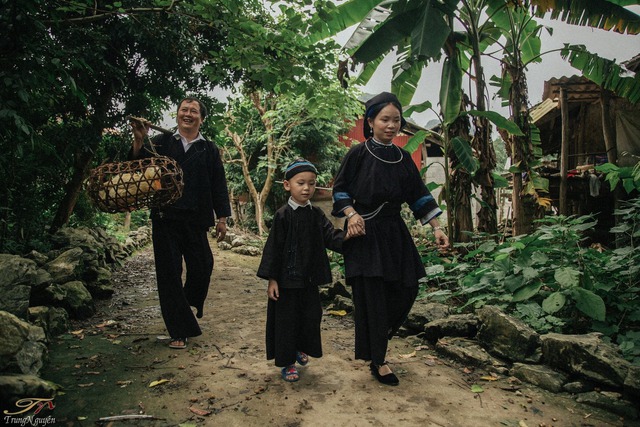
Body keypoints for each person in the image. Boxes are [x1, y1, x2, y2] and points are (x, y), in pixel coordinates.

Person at [331, 92, 449, 386]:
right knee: (373, 297)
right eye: (384, 119)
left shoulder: (403, 158)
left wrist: (436, 227)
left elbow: (419, 196)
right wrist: (351, 213)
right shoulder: (357, 154)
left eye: (396, 120)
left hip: (394, 232)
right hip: (364, 232)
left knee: (407, 288)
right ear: (370, 122)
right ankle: (379, 361)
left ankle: (378, 336)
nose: (391, 125)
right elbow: (340, 189)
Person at [130, 97, 231, 350]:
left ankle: (183, 306)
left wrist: (222, 217)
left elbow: (219, 184)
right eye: (184, 110)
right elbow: (135, 166)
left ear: (201, 118)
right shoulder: (162, 142)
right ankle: (179, 329)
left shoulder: (208, 149)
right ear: (177, 116)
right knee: (169, 274)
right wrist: (140, 138)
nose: (188, 114)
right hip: (166, 217)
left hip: (196, 219)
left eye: (193, 111)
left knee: (203, 265)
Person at [257, 159, 354, 382]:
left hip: (309, 280)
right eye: (301, 182)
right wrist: (272, 280)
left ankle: (301, 348)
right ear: (287, 185)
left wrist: (349, 236)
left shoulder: (317, 215)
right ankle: (287, 362)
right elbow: (273, 249)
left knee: (310, 317)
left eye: (311, 183)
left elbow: (331, 237)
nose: (306, 188)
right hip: (286, 282)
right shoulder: (283, 216)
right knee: (286, 322)